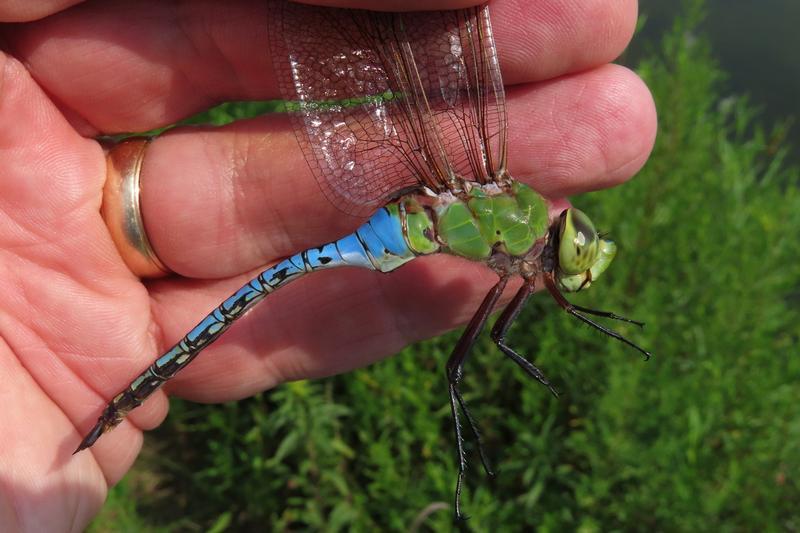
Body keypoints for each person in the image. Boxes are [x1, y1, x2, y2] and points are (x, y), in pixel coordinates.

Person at [0, 0, 655, 530]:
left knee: (461, 363)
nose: (572, 261)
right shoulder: (520, 245)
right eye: (574, 249)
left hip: (402, 223)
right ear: (550, 246)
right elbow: (500, 341)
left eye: (576, 253)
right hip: (387, 230)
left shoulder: (519, 234)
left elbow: (505, 335)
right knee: (457, 368)